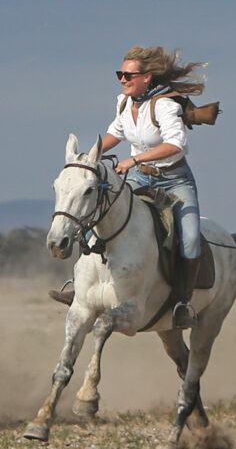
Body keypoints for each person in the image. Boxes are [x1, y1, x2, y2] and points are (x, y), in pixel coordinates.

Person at [52, 46, 209, 330]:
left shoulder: (165, 105)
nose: (122, 79)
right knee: (96, 212)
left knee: (189, 240)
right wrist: (89, 159)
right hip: (139, 177)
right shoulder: (124, 103)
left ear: (146, 78)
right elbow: (116, 133)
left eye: (128, 75)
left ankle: (182, 303)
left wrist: (134, 159)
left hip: (174, 180)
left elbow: (176, 145)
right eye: (120, 74)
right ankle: (81, 287)